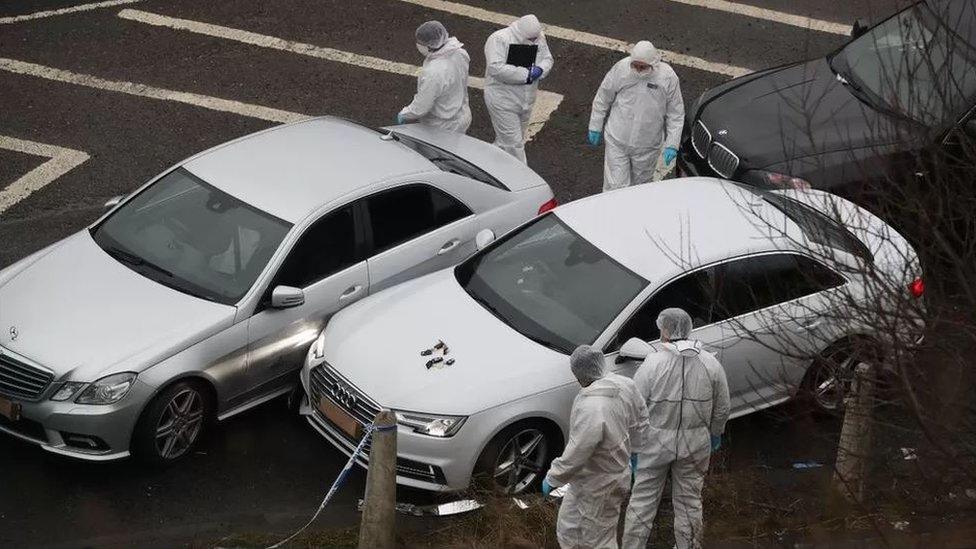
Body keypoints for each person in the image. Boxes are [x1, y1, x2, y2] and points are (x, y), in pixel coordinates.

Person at [622, 308, 731, 549]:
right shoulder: (710, 363)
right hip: (695, 445)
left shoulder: (652, 364)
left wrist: (633, 445)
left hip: (654, 445)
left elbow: (635, 408)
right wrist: (715, 433)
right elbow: (723, 407)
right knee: (689, 503)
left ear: (665, 330)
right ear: (689, 328)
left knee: (642, 503)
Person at [542, 345, 649, 549]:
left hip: (600, 484)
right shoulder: (625, 385)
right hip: (588, 479)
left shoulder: (591, 406)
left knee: (599, 539)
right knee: (569, 528)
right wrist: (636, 452)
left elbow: (578, 450)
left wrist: (554, 477)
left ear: (579, 374)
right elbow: (641, 420)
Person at [588, 41, 684, 192]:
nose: (638, 70)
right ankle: (611, 214)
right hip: (617, 140)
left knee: (640, 189)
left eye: (643, 67)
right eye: (636, 66)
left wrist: (672, 144)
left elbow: (676, 114)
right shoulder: (621, 69)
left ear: (654, 63)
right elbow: (603, 98)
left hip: (647, 146)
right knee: (615, 187)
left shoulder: (667, 77)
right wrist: (595, 126)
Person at [483, 14, 554, 163]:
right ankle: (523, 180)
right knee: (513, 144)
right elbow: (496, 68)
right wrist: (526, 74)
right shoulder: (499, 39)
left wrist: (540, 69)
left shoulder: (537, 36)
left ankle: (487, 166)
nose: (534, 41)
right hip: (503, 100)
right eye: (531, 39)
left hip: (526, 99)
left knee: (511, 141)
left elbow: (547, 58)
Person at [397, 20, 472, 133]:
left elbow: (422, 106)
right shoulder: (460, 53)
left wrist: (405, 114)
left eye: (420, 43)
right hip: (462, 114)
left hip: (441, 125)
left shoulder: (434, 72)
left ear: (429, 46)